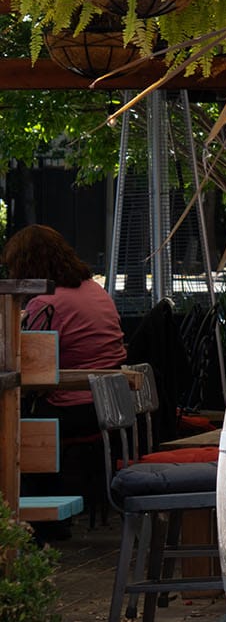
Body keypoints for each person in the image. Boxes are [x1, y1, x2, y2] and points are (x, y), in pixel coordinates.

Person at [3, 225, 127, 525]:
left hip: (75, 407)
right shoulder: (94, 290)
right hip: (110, 404)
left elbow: (25, 361)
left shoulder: (46, 303)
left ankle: (34, 521)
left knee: (14, 425)